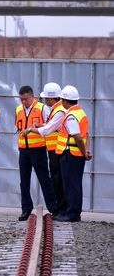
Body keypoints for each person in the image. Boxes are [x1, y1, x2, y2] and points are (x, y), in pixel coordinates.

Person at [22, 82, 67, 216]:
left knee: (57, 181)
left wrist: (30, 129)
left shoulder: (58, 110)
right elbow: (51, 126)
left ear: (52, 98)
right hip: (52, 150)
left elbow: (47, 130)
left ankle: (60, 210)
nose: (45, 100)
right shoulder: (56, 109)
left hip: (55, 150)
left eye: (46, 98)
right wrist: (42, 125)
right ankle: (58, 210)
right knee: (55, 180)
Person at [16, 86, 57, 221]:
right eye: (21, 99)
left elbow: (48, 126)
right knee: (24, 181)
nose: (23, 102)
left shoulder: (42, 108)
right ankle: (26, 209)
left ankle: (53, 208)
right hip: (23, 149)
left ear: (32, 96)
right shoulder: (18, 110)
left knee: (44, 179)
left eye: (25, 99)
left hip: (38, 149)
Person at [54, 85, 92, 222]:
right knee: (75, 184)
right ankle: (74, 213)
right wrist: (86, 151)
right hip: (76, 155)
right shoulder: (81, 113)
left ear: (65, 101)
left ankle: (72, 214)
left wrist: (84, 152)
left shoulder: (70, 116)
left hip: (71, 155)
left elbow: (78, 137)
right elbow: (87, 135)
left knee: (71, 185)